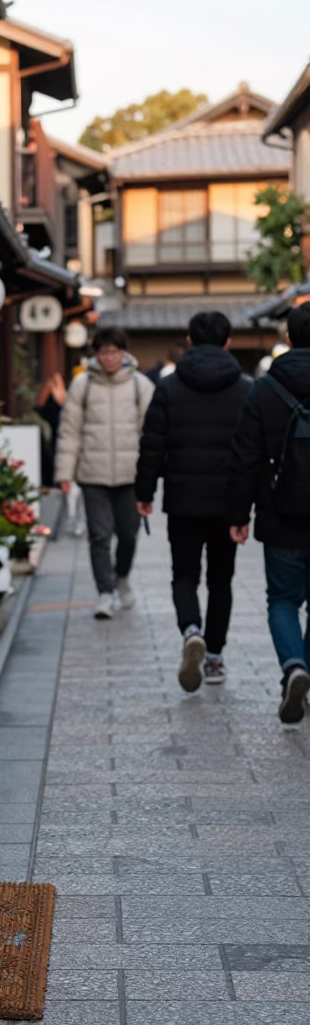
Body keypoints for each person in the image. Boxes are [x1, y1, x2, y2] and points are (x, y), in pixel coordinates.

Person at [135, 311, 252, 691]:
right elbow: (252, 450)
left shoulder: (169, 387)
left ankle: (191, 630)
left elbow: (152, 444)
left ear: (189, 340)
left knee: (184, 575)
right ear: (228, 342)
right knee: (221, 579)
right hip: (227, 501)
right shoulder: (245, 387)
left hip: (183, 501)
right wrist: (249, 502)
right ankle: (214, 658)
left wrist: (144, 492)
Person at [228, 303, 310, 726]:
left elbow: (244, 457)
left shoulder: (264, 389)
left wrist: (238, 514)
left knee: (282, 599)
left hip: (280, 514)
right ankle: (305, 670)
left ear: (290, 339)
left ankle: (294, 665)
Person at [55, 326, 154, 618]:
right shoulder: (82, 386)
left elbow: (152, 434)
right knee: (99, 535)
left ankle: (121, 576)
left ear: (124, 353)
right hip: (92, 475)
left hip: (130, 476)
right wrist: (65, 472)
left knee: (128, 535)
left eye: (114, 351)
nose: (109, 357)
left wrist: (152, 473)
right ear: (95, 354)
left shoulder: (140, 386)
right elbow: (69, 431)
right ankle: (105, 592)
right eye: (104, 352)